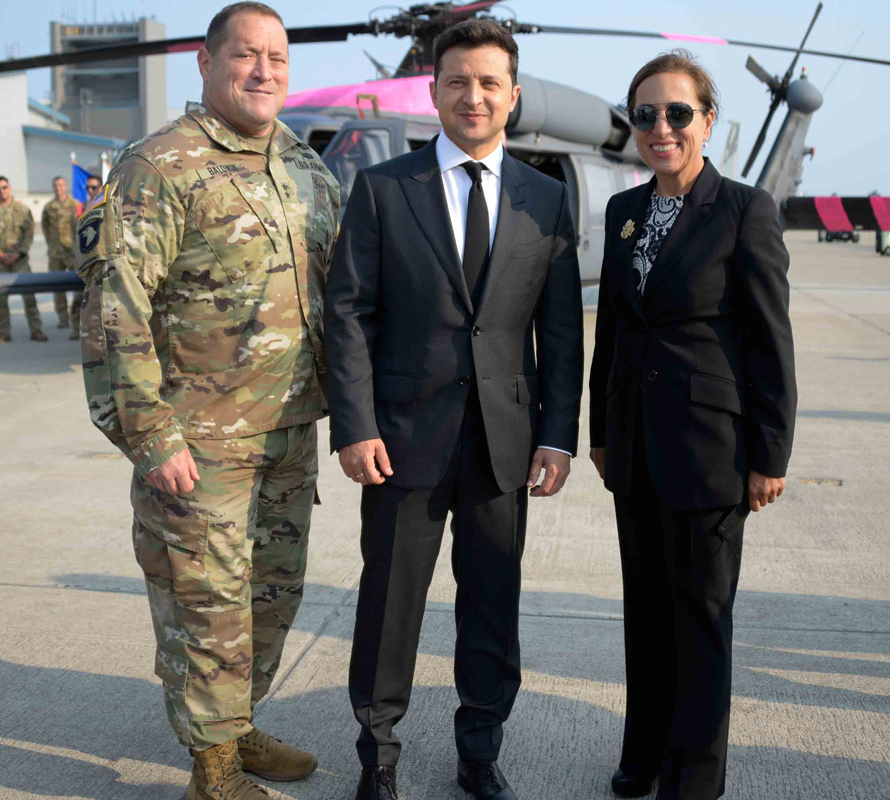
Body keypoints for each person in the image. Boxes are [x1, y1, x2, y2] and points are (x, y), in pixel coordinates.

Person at [76, 4, 339, 798]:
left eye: (279, 58)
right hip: (200, 440)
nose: (264, 71)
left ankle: (241, 725)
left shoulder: (305, 167)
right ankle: (212, 767)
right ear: (205, 59)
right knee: (208, 605)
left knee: (272, 592)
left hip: (290, 433)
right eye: (246, 55)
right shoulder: (160, 166)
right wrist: (151, 436)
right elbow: (112, 309)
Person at [325, 19, 583, 800]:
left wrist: (558, 435)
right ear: (434, 90)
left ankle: (480, 751)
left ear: (512, 95)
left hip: (505, 444)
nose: (473, 96)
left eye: (489, 83)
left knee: (492, 608)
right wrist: (356, 424)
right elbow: (349, 314)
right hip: (401, 441)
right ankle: (380, 758)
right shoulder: (383, 189)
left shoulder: (546, 197)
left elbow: (562, 330)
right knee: (388, 607)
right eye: (458, 81)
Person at [588, 51, 797, 800]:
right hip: (635, 450)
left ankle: (693, 777)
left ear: (709, 121)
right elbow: (613, 329)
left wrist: (770, 454)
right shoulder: (623, 212)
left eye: (678, 113)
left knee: (700, 621)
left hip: (712, 450)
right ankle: (643, 752)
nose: (661, 127)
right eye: (646, 114)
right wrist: (600, 434)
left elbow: (771, 341)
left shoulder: (744, 210)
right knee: (644, 612)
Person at [0, 176, 46, 343]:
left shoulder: (23, 210)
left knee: (29, 297)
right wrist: (0, 255)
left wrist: (19, 254)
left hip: (20, 261)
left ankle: (36, 330)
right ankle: (3, 332)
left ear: (10, 187)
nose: (2, 191)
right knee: (0, 300)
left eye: (4, 187)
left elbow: (28, 235)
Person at [41, 176, 83, 339]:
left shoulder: (74, 205)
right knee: (57, 288)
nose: (58, 188)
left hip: (72, 253)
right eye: (55, 185)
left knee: (77, 287)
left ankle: (76, 321)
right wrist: (51, 244)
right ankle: (62, 318)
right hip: (55, 253)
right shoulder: (49, 207)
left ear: (65, 187)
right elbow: (45, 227)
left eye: (61, 185)